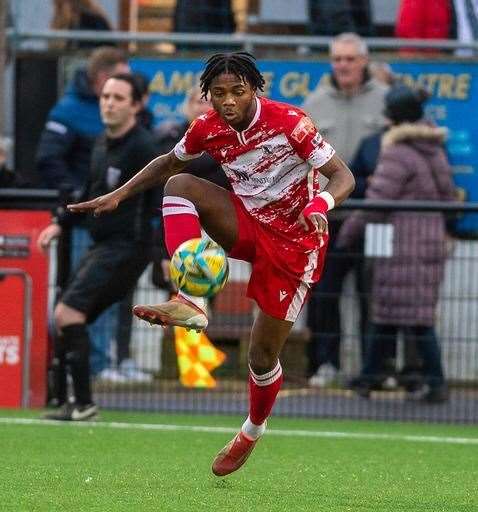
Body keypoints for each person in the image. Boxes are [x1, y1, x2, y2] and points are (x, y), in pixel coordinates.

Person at [67, 52, 355, 475]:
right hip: (247, 223)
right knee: (179, 184)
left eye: (237, 91)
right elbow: (168, 162)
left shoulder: (291, 122)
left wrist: (320, 202)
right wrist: (119, 195)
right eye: (218, 94)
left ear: (253, 89)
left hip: (297, 241)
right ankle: (191, 297)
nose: (228, 101)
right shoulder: (207, 128)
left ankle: (252, 430)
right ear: (209, 96)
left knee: (260, 356)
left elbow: (344, 176)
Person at [37, 74, 159, 420]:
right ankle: (72, 401)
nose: (109, 103)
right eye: (106, 96)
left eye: (119, 98)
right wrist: (62, 222)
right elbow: (91, 193)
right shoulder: (101, 142)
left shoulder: (143, 148)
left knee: (67, 314)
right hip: (102, 244)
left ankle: (83, 403)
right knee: (66, 318)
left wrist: (165, 254)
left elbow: (160, 202)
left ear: (136, 105)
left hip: (127, 248)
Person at [336, 84, 455, 404]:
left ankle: (433, 381)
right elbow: (448, 196)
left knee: (403, 315)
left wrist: (347, 234)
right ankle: (370, 376)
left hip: (402, 244)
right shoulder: (435, 149)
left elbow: (377, 201)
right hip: (428, 243)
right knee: (404, 313)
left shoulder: (398, 153)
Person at [302, 32, 389, 387]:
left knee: (376, 293)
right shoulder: (314, 102)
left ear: (364, 61)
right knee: (324, 293)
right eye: (338, 58)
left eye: (351, 59)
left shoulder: (386, 100)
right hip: (329, 216)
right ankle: (326, 364)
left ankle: (376, 370)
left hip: (376, 217)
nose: (344, 65)